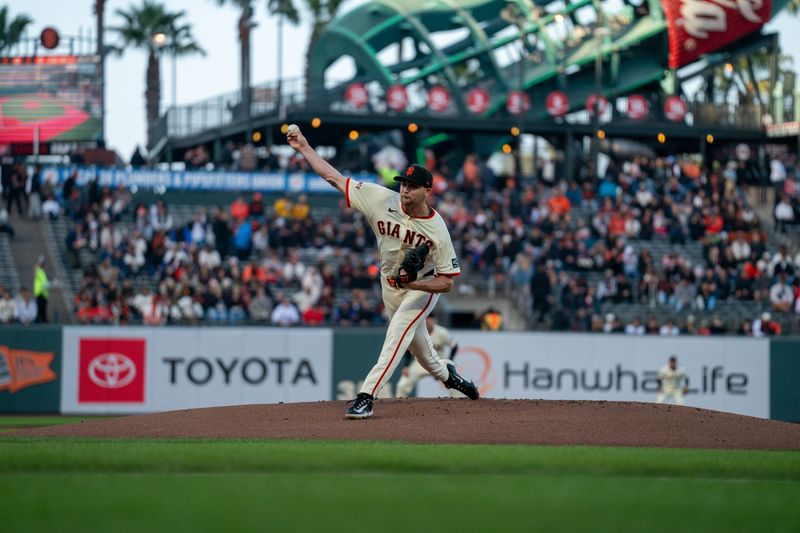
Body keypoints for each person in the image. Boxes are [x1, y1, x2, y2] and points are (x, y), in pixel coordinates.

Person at [287, 125, 478, 419]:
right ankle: (449, 374)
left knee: (397, 333)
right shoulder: (380, 198)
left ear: (427, 191)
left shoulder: (438, 230)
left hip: (421, 289)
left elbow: (447, 283)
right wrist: (304, 148)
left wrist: (415, 283)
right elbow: (334, 178)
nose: (404, 189)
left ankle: (366, 396)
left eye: (412, 186)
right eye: (403, 183)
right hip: (389, 286)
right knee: (424, 356)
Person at [396, 316, 459, 398]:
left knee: (455, 384)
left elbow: (454, 347)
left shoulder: (442, 332)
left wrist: (450, 362)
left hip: (439, 362)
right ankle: (399, 405)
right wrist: (406, 366)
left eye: (429, 319)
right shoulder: (417, 332)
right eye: (425, 319)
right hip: (420, 362)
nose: (427, 321)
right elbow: (408, 350)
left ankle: (458, 404)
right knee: (402, 385)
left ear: (433, 320)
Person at [33, 255, 49, 323]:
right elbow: (45, 284)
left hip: (42, 294)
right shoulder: (40, 271)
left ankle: (42, 321)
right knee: (40, 312)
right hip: (40, 294)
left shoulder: (41, 272)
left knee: (42, 313)